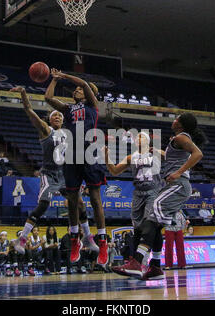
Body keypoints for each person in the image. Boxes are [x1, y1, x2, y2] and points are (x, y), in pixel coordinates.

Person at [112, 113, 205, 280]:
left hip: (179, 184)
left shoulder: (181, 137)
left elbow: (198, 154)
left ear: (181, 124)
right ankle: (155, 267)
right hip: (174, 186)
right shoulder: (178, 139)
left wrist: (178, 172)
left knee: (152, 215)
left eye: (177, 118)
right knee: (154, 225)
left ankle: (137, 262)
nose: (174, 120)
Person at [10, 86, 98, 258]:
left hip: (66, 174)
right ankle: (22, 239)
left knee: (79, 204)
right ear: (50, 120)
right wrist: (23, 94)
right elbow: (29, 110)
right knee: (44, 204)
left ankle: (87, 237)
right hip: (49, 174)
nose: (57, 116)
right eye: (54, 115)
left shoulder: (69, 133)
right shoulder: (46, 130)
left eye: (59, 115)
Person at [41, 69, 108, 267]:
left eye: (80, 89)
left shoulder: (93, 107)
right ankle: (74, 239)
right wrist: (53, 79)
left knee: (95, 199)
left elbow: (86, 85)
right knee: (72, 200)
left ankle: (103, 241)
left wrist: (66, 77)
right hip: (71, 155)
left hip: (89, 153)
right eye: (76, 89)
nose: (77, 90)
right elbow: (48, 97)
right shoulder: (68, 109)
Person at [104, 131, 164, 273]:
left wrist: (156, 150)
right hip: (138, 193)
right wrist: (106, 157)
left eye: (142, 136)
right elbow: (114, 171)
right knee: (138, 228)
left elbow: (168, 155)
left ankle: (148, 262)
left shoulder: (154, 153)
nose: (138, 138)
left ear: (148, 141)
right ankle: (140, 264)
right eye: (137, 137)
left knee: (151, 224)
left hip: (153, 191)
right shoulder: (131, 157)